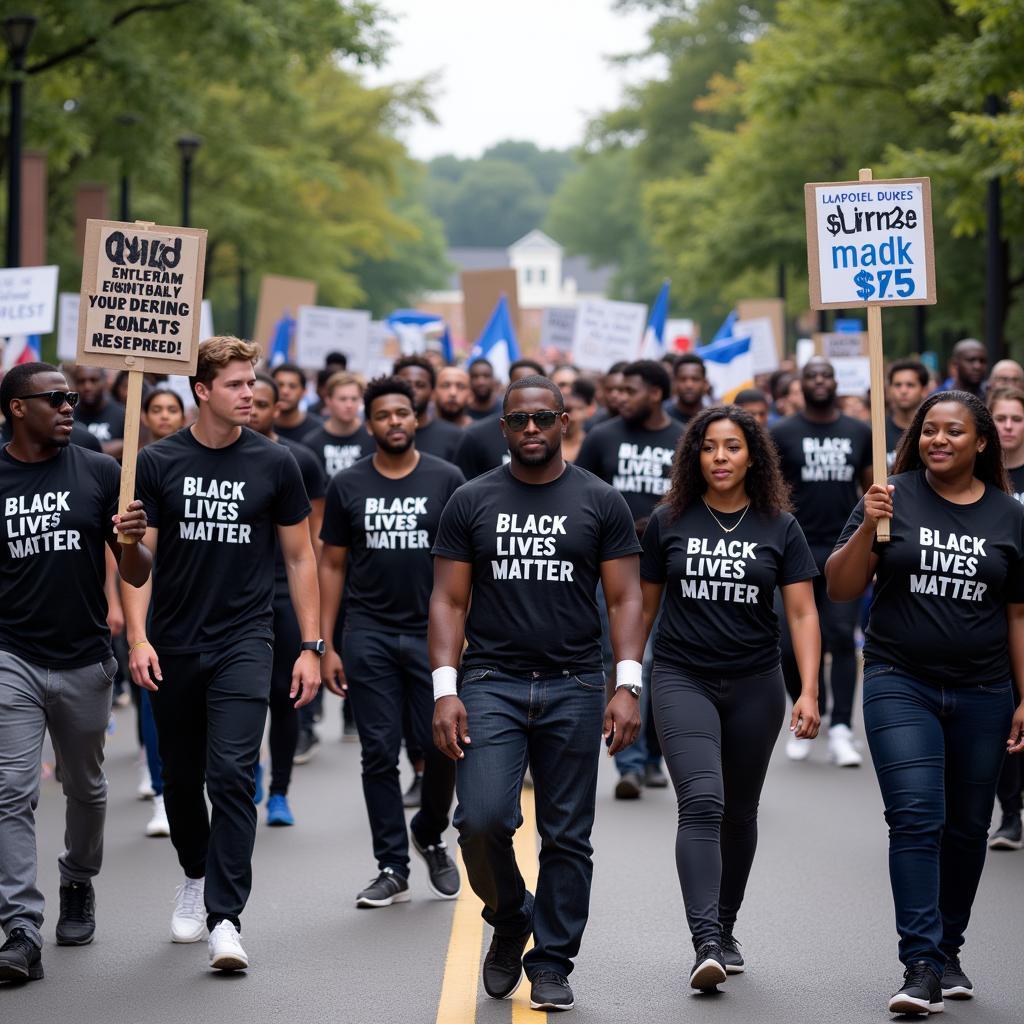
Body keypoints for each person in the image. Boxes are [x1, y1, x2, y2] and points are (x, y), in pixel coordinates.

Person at [430, 375, 644, 1012]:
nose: (531, 429)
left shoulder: (599, 501)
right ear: (502, 428)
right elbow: (446, 599)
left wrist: (627, 683)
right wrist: (446, 688)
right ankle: (511, 913)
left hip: (575, 684)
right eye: (518, 420)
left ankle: (552, 961)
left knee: (567, 835)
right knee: (480, 820)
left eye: (543, 418)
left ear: (564, 422)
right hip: (490, 681)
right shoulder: (471, 501)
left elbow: (626, 596)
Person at [122, 336, 321, 973]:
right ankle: (194, 872)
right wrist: (137, 635)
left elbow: (299, 556)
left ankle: (225, 917)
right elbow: (138, 567)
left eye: (251, 382)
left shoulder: (275, 462)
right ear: (202, 391)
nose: (250, 393)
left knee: (232, 775)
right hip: (176, 640)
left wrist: (312, 645)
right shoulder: (157, 462)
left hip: (246, 639)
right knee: (179, 778)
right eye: (235, 384)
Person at [826, 389, 1024, 1014]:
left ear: (982, 442)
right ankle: (919, 965)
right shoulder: (892, 496)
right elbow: (839, 586)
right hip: (898, 678)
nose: (939, 440)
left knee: (967, 828)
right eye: (929, 430)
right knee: (916, 817)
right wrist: (867, 525)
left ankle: (949, 950)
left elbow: (1018, 614)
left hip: (985, 690)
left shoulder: (1010, 516)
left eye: (954, 432)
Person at [640, 406, 820, 989]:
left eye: (733, 447)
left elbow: (801, 612)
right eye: (709, 447)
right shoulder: (667, 521)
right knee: (703, 801)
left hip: (755, 683)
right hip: (680, 675)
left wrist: (809, 690)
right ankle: (705, 941)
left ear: (754, 457)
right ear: (694, 455)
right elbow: (640, 609)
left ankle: (726, 924)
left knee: (740, 812)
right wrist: (624, 680)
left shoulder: (780, 527)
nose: (720, 457)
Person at [0, 362, 151, 984]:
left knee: (86, 789)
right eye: (55, 398)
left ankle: (78, 880)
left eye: (72, 397)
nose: (70, 406)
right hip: (12, 657)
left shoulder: (99, 472)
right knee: (12, 789)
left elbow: (137, 573)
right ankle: (19, 926)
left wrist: (133, 540)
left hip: (87, 660)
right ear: (16, 408)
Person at [319, 375, 464, 907]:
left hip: (435, 637)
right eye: (383, 415)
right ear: (369, 423)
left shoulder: (447, 479)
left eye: (403, 413)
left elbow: (467, 566)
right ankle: (392, 864)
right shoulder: (348, 485)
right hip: (369, 634)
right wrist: (325, 642)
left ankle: (429, 830)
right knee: (378, 751)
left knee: (441, 745)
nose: (394, 422)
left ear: (416, 418)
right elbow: (331, 564)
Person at [576, 359, 682, 798]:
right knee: (623, 658)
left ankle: (655, 756)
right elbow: (578, 492)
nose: (621, 397)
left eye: (632, 389)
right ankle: (629, 763)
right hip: (614, 569)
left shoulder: (682, 437)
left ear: (656, 393)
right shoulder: (603, 436)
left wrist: (658, 524)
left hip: (667, 568)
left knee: (663, 663)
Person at [771, 357, 871, 767]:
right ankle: (806, 706)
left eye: (825, 375)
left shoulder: (858, 431)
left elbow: (869, 486)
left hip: (842, 547)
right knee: (786, 643)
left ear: (834, 382)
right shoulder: (783, 432)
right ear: (801, 384)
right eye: (810, 375)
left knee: (842, 636)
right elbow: (773, 489)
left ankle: (842, 729)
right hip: (795, 549)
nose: (818, 381)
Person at [249, 374, 326, 827]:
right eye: (249, 400)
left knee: (283, 696)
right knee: (243, 696)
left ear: (277, 409)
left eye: (262, 402)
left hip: (284, 593)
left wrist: (313, 633)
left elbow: (311, 542)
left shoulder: (298, 460)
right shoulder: (222, 459)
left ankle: (279, 791)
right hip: (240, 596)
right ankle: (248, 770)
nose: (254, 409)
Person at [137, 387, 188, 840]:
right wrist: (133, 627)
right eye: (158, 408)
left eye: (173, 409)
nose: (166, 416)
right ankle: (157, 789)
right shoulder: (136, 466)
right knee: (152, 705)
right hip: (156, 605)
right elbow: (128, 556)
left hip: (213, 614)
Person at [988, 387, 1024, 849]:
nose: (1010, 426)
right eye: (1001, 418)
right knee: (1006, 713)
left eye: (1017, 418)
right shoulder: (984, 480)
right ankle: (1010, 812)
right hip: (999, 610)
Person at [454, 361, 547, 481]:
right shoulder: (476, 435)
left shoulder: (556, 431)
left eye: (533, 385)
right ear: (508, 388)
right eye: (519, 385)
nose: (527, 392)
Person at [300, 372, 374, 477]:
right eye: (342, 399)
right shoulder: (312, 443)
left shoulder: (372, 439)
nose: (349, 405)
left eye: (354, 399)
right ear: (328, 400)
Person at [393, 356, 463, 462]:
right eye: (406, 384)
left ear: (432, 392)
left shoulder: (456, 437)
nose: (412, 390)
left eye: (420, 385)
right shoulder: (380, 436)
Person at [69, 365, 125, 460]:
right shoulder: (67, 414)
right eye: (81, 381)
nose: (87, 387)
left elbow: (131, 447)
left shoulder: (123, 414)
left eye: (94, 380)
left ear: (105, 381)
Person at [886, 359, 929, 467]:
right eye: (897, 385)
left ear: (924, 390)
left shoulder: (933, 432)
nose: (903, 391)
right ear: (889, 390)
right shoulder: (876, 432)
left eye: (910, 385)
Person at [271, 363, 323, 442]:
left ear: (304, 392)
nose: (285, 391)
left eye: (292, 386)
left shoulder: (318, 430)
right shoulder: (258, 426)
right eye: (279, 385)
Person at [666, 353, 707, 425]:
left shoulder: (712, 420)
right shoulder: (663, 418)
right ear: (674, 383)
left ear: (705, 383)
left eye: (695, 379)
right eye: (683, 379)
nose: (689, 385)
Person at [563, 378, 596, 463]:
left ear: (589, 410)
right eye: (566, 409)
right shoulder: (549, 445)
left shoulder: (593, 444)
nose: (570, 416)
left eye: (578, 409)